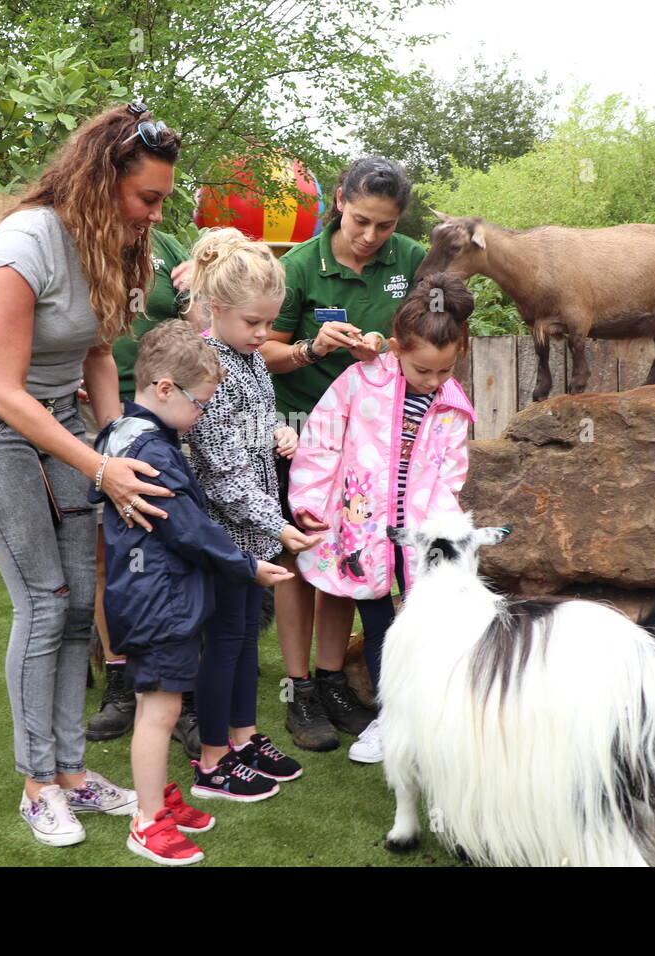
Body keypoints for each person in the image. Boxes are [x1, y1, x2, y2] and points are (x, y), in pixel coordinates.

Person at [0, 102, 178, 847]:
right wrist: (101, 466)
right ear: (99, 180)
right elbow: (9, 391)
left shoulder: (114, 245)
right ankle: (36, 782)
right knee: (44, 602)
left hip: (63, 420)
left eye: (161, 201)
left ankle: (74, 773)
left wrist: (121, 441)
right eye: (146, 198)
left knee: (83, 601)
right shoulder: (25, 242)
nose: (153, 215)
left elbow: (99, 353)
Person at [91, 321, 294, 864]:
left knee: (164, 702)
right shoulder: (153, 449)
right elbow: (188, 528)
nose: (202, 414)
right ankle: (146, 821)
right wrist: (247, 565)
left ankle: (159, 797)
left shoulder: (125, 433)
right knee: (157, 711)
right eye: (199, 404)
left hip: (152, 594)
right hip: (158, 599)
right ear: (164, 389)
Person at [258, 157, 426, 751]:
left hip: (370, 442)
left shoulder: (410, 258)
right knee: (297, 558)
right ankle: (299, 689)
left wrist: (391, 342)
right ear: (338, 201)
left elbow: (433, 331)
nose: (371, 236)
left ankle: (333, 681)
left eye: (384, 226)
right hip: (298, 435)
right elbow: (262, 352)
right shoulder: (301, 266)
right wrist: (309, 347)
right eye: (360, 221)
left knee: (343, 559)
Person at [288, 272, 477, 763]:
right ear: (394, 348)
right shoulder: (358, 382)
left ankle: (428, 719)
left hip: (419, 537)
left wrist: (438, 524)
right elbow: (321, 442)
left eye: (445, 371)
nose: (434, 381)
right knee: (379, 626)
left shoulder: (453, 407)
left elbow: (450, 473)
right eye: (422, 370)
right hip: (362, 529)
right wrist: (309, 503)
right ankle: (389, 719)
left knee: (422, 624)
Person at [182, 228, 322, 793]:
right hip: (224, 537)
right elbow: (224, 475)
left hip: (252, 532)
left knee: (243, 641)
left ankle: (243, 736)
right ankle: (213, 762)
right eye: (254, 325)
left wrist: (279, 435)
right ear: (216, 309)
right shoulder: (207, 369)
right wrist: (281, 527)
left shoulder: (251, 360)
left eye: (270, 323)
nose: (265, 335)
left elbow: (254, 428)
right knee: (222, 646)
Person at [88, 230, 196, 752]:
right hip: (94, 406)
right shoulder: (79, 240)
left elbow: (195, 322)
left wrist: (194, 281)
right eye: (145, 197)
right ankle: (121, 679)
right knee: (106, 555)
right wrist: (113, 433)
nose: (151, 211)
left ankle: (178, 686)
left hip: (168, 409)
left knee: (168, 543)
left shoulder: (170, 245)